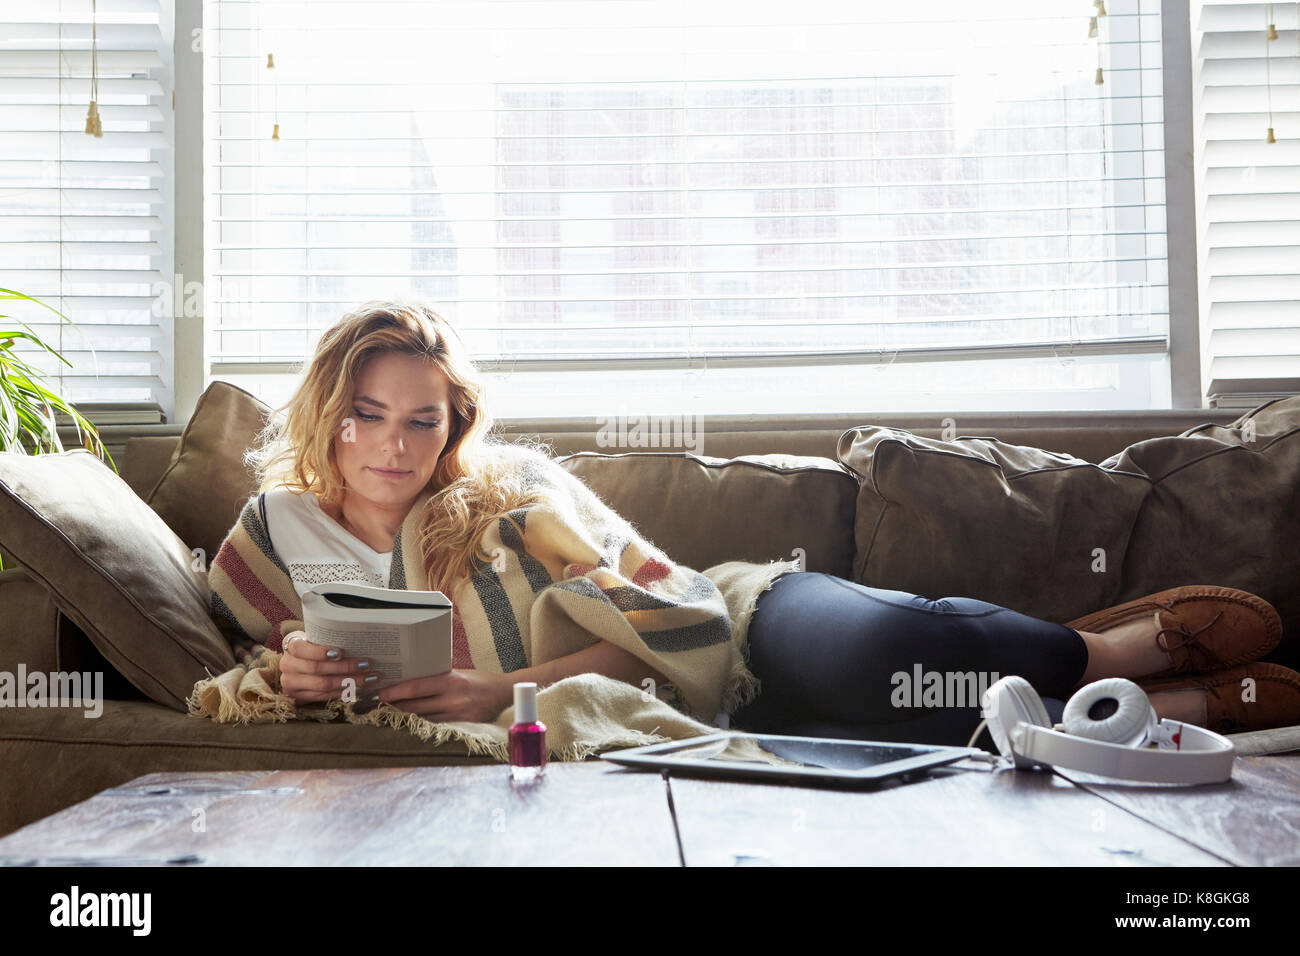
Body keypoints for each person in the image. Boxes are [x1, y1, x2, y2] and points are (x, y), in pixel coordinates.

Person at [211, 299, 1300, 746]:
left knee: (889, 655)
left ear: (455, 427)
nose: (392, 445)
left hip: (742, 619)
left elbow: (665, 610)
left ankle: (1103, 645)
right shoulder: (274, 530)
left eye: (421, 420)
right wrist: (302, 672)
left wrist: (503, 688)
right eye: (366, 416)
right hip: (675, 721)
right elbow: (269, 663)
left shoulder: (514, 491)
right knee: (905, 735)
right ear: (329, 413)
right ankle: (1160, 704)